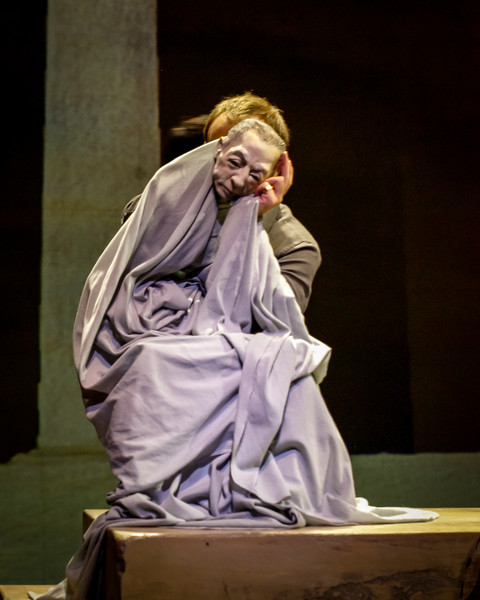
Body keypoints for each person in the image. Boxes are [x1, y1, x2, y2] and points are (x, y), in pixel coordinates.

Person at [30, 119, 437, 600]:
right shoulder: (176, 193)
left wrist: (254, 222)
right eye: (227, 156)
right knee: (154, 361)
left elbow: (273, 314)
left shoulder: (290, 238)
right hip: (161, 325)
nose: (235, 176)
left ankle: (237, 486)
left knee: (282, 363)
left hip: (232, 342)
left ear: (277, 171)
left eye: (254, 169)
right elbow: (136, 261)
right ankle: (167, 484)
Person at [122, 92, 321, 312]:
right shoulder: (159, 210)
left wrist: (247, 220)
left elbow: (265, 319)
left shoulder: (293, 247)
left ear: (277, 167)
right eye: (216, 151)